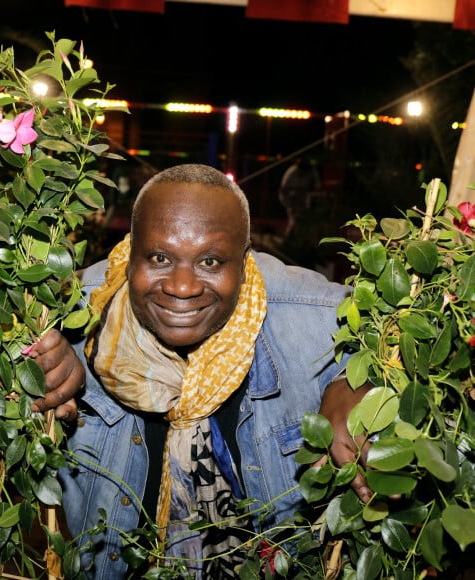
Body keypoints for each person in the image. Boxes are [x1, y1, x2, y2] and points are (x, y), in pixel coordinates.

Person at [30, 164, 372, 579]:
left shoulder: (320, 323)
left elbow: (409, 353)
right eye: (159, 257)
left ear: (245, 263)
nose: (183, 286)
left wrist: (359, 382)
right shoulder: (67, 317)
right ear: (127, 252)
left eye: (210, 261)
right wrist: (31, 373)